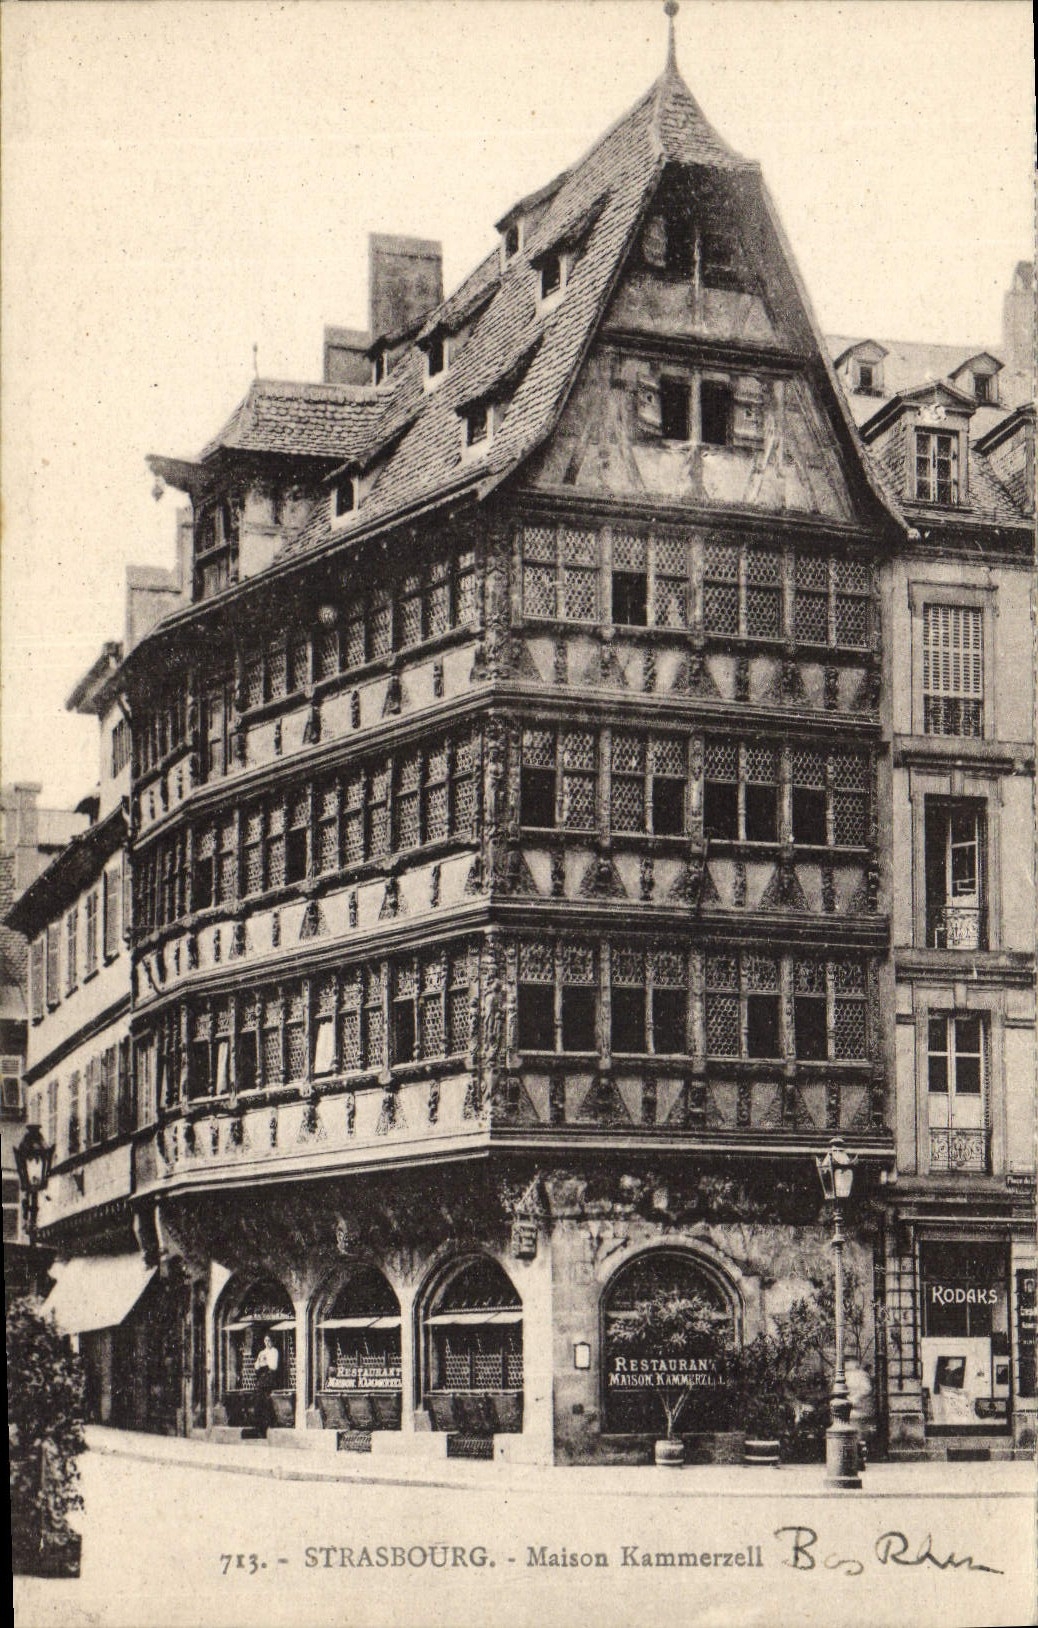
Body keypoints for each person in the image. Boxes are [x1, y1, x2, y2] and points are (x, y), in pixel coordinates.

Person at [252, 1334, 279, 1435]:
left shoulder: (274, 1351)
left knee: (267, 1402)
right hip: (261, 1379)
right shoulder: (262, 1352)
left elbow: (274, 1366)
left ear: (272, 1341)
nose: (267, 1343)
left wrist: (266, 1361)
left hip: (270, 1379)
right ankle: (260, 1427)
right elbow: (256, 1366)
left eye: (269, 1340)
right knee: (259, 1401)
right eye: (265, 1340)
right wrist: (259, 1361)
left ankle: (269, 1424)